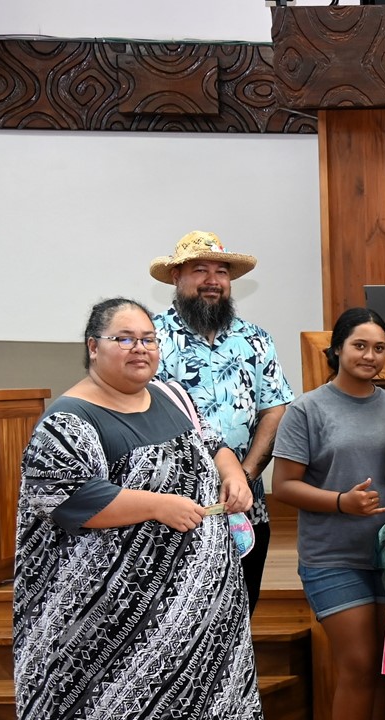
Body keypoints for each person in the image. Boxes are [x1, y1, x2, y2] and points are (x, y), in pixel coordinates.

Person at [13, 297, 265, 720]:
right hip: (116, 609)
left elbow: (212, 443)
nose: (140, 348)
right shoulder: (68, 418)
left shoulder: (172, 394)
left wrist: (233, 472)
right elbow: (68, 500)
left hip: (199, 598)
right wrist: (156, 504)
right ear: (93, 346)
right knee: (115, 707)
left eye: (148, 338)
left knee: (201, 697)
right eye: (124, 338)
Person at [272, 307, 385, 720]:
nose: (370, 356)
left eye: (379, 348)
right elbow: (283, 486)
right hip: (332, 557)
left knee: (381, 669)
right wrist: (340, 503)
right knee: (356, 665)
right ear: (337, 350)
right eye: (360, 345)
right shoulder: (306, 409)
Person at [149, 230, 294, 611]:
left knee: (243, 607)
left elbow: (275, 408)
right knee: (178, 615)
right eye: (200, 270)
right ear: (176, 277)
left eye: (222, 272)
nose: (213, 280)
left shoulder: (256, 339)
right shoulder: (151, 340)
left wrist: (246, 473)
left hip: (246, 505)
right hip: (175, 509)